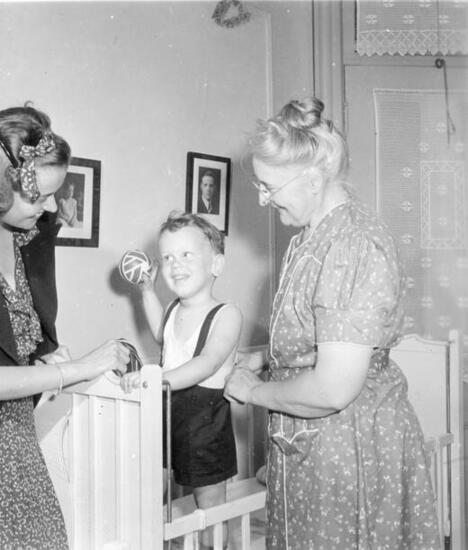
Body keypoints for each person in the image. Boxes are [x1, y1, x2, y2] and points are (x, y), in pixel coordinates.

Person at [224, 97, 441, 549]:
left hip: (350, 448)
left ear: (312, 179)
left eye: (269, 187)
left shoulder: (351, 244)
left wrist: (254, 391)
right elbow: (324, 341)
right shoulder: (311, 237)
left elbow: (333, 389)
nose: (263, 199)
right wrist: (266, 357)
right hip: (319, 446)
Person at [0, 105, 130, 549]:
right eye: (39, 197)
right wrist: (72, 369)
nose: (51, 208)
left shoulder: (31, 233)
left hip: (17, 436)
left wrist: (44, 356)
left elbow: (24, 334)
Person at [121, 212, 242, 549]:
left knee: (210, 504)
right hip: (167, 415)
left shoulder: (226, 314)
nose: (175, 265)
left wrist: (154, 378)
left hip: (205, 423)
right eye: (168, 257)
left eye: (186, 254)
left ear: (216, 264)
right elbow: (162, 335)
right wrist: (147, 291)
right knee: (150, 493)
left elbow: (206, 362)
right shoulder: (174, 308)